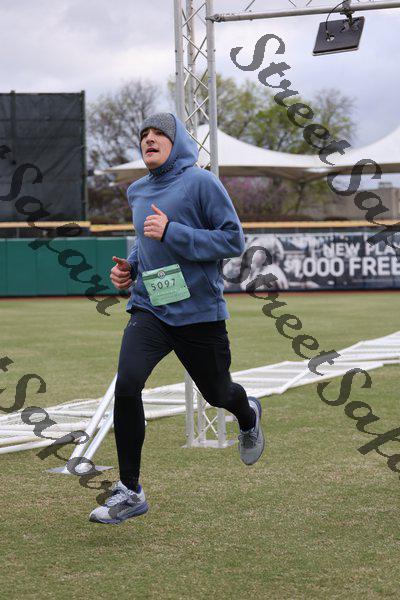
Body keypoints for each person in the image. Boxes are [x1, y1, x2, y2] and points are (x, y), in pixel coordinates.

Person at [89, 113, 265, 525]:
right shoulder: (136, 190)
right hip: (150, 308)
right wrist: (129, 269)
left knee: (218, 393)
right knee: (127, 385)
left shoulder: (201, 182)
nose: (149, 139)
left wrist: (173, 231)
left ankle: (248, 414)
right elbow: (145, 242)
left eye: (158, 134)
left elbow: (232, 240)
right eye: (143, 135)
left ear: (177, 143)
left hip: (198, 313)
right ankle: (130, 491)